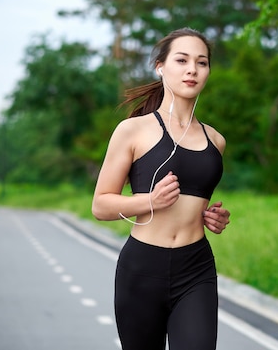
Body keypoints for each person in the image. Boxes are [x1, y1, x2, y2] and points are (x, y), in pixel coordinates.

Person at [92, 27, 230, 350]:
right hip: (141, 269)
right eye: (181, 60)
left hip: (196, 269)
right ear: (160, 67)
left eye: (202, 62)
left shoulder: (216, 141)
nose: (192, 69)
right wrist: (149, 201)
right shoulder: (133, 131)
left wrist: (215, 219)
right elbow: (100, 206)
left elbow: (197, 204)